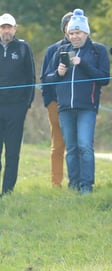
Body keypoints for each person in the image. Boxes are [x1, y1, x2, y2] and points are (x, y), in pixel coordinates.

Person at [44, 9, 109, 194]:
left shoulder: (98, 51)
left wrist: (84, 64)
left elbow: (104, 78)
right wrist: (59, 73)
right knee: (71, 148)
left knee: (84, 145)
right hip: (64, 108)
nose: (74, 36)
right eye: (71, 33)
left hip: (87, 107)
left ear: (86, 33)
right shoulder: (61, 51)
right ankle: (74, 185)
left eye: (78, 32)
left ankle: (86, 185)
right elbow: (47, 78)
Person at [0, 13, 35, 196]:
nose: (6, 30)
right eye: (3, 27)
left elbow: (30, 78)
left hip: (15, 109)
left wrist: (25, 105)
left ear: (15, 29)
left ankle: (7, 191)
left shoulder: (23, 48)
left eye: (9, 27)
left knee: (12, 153)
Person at [40, 12, 73, 188]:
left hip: (77, 103)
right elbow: (44, 78)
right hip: (56, 103)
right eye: (69, 25)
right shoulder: (53, 50)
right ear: (64, 28)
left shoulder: (88, 49)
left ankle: (78, 181)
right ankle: (56, 183)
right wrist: (49, 102)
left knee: (77, 145)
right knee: (58, 144)